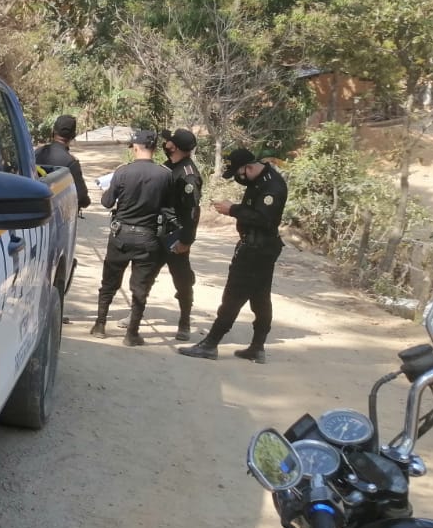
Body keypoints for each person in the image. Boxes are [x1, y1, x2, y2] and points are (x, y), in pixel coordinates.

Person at [179, 147, 288, 363]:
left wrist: (233, 210)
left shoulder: (272, 186)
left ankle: (210, 344)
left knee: (233, 296)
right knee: (259, 298)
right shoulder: (259, 180)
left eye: (238, 174)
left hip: (257, 250)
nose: (238, 179)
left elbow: (264, 219)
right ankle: (257, 348)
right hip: (258, 247)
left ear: (248, 167)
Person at [91, 130, 173, 346]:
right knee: (140, 287)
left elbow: (107, 203)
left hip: (121, 235)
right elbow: (168, 207)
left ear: (135, 148)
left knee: (109, 281)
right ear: (154, 148)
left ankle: (100, 324)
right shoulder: (164, 175)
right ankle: (132, 334)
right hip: (148, 237)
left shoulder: (122, 172)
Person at [158, 128, 203, 341]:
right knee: (144, 274)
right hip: (157, 229)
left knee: (182, 280)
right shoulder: (169, 167)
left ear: (174, 146)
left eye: (169, 142)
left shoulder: (189, 176)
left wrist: (186, 240)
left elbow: (193, 212)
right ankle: (135, 315)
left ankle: (184, 321)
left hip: (175, 235)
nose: (165, 144)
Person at [35, 115, 91, 211]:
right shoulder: (71, 162)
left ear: (53, 132)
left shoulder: (37, 153)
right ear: (73, 136)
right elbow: (81, 197)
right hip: (59, 218)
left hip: (34, 214)